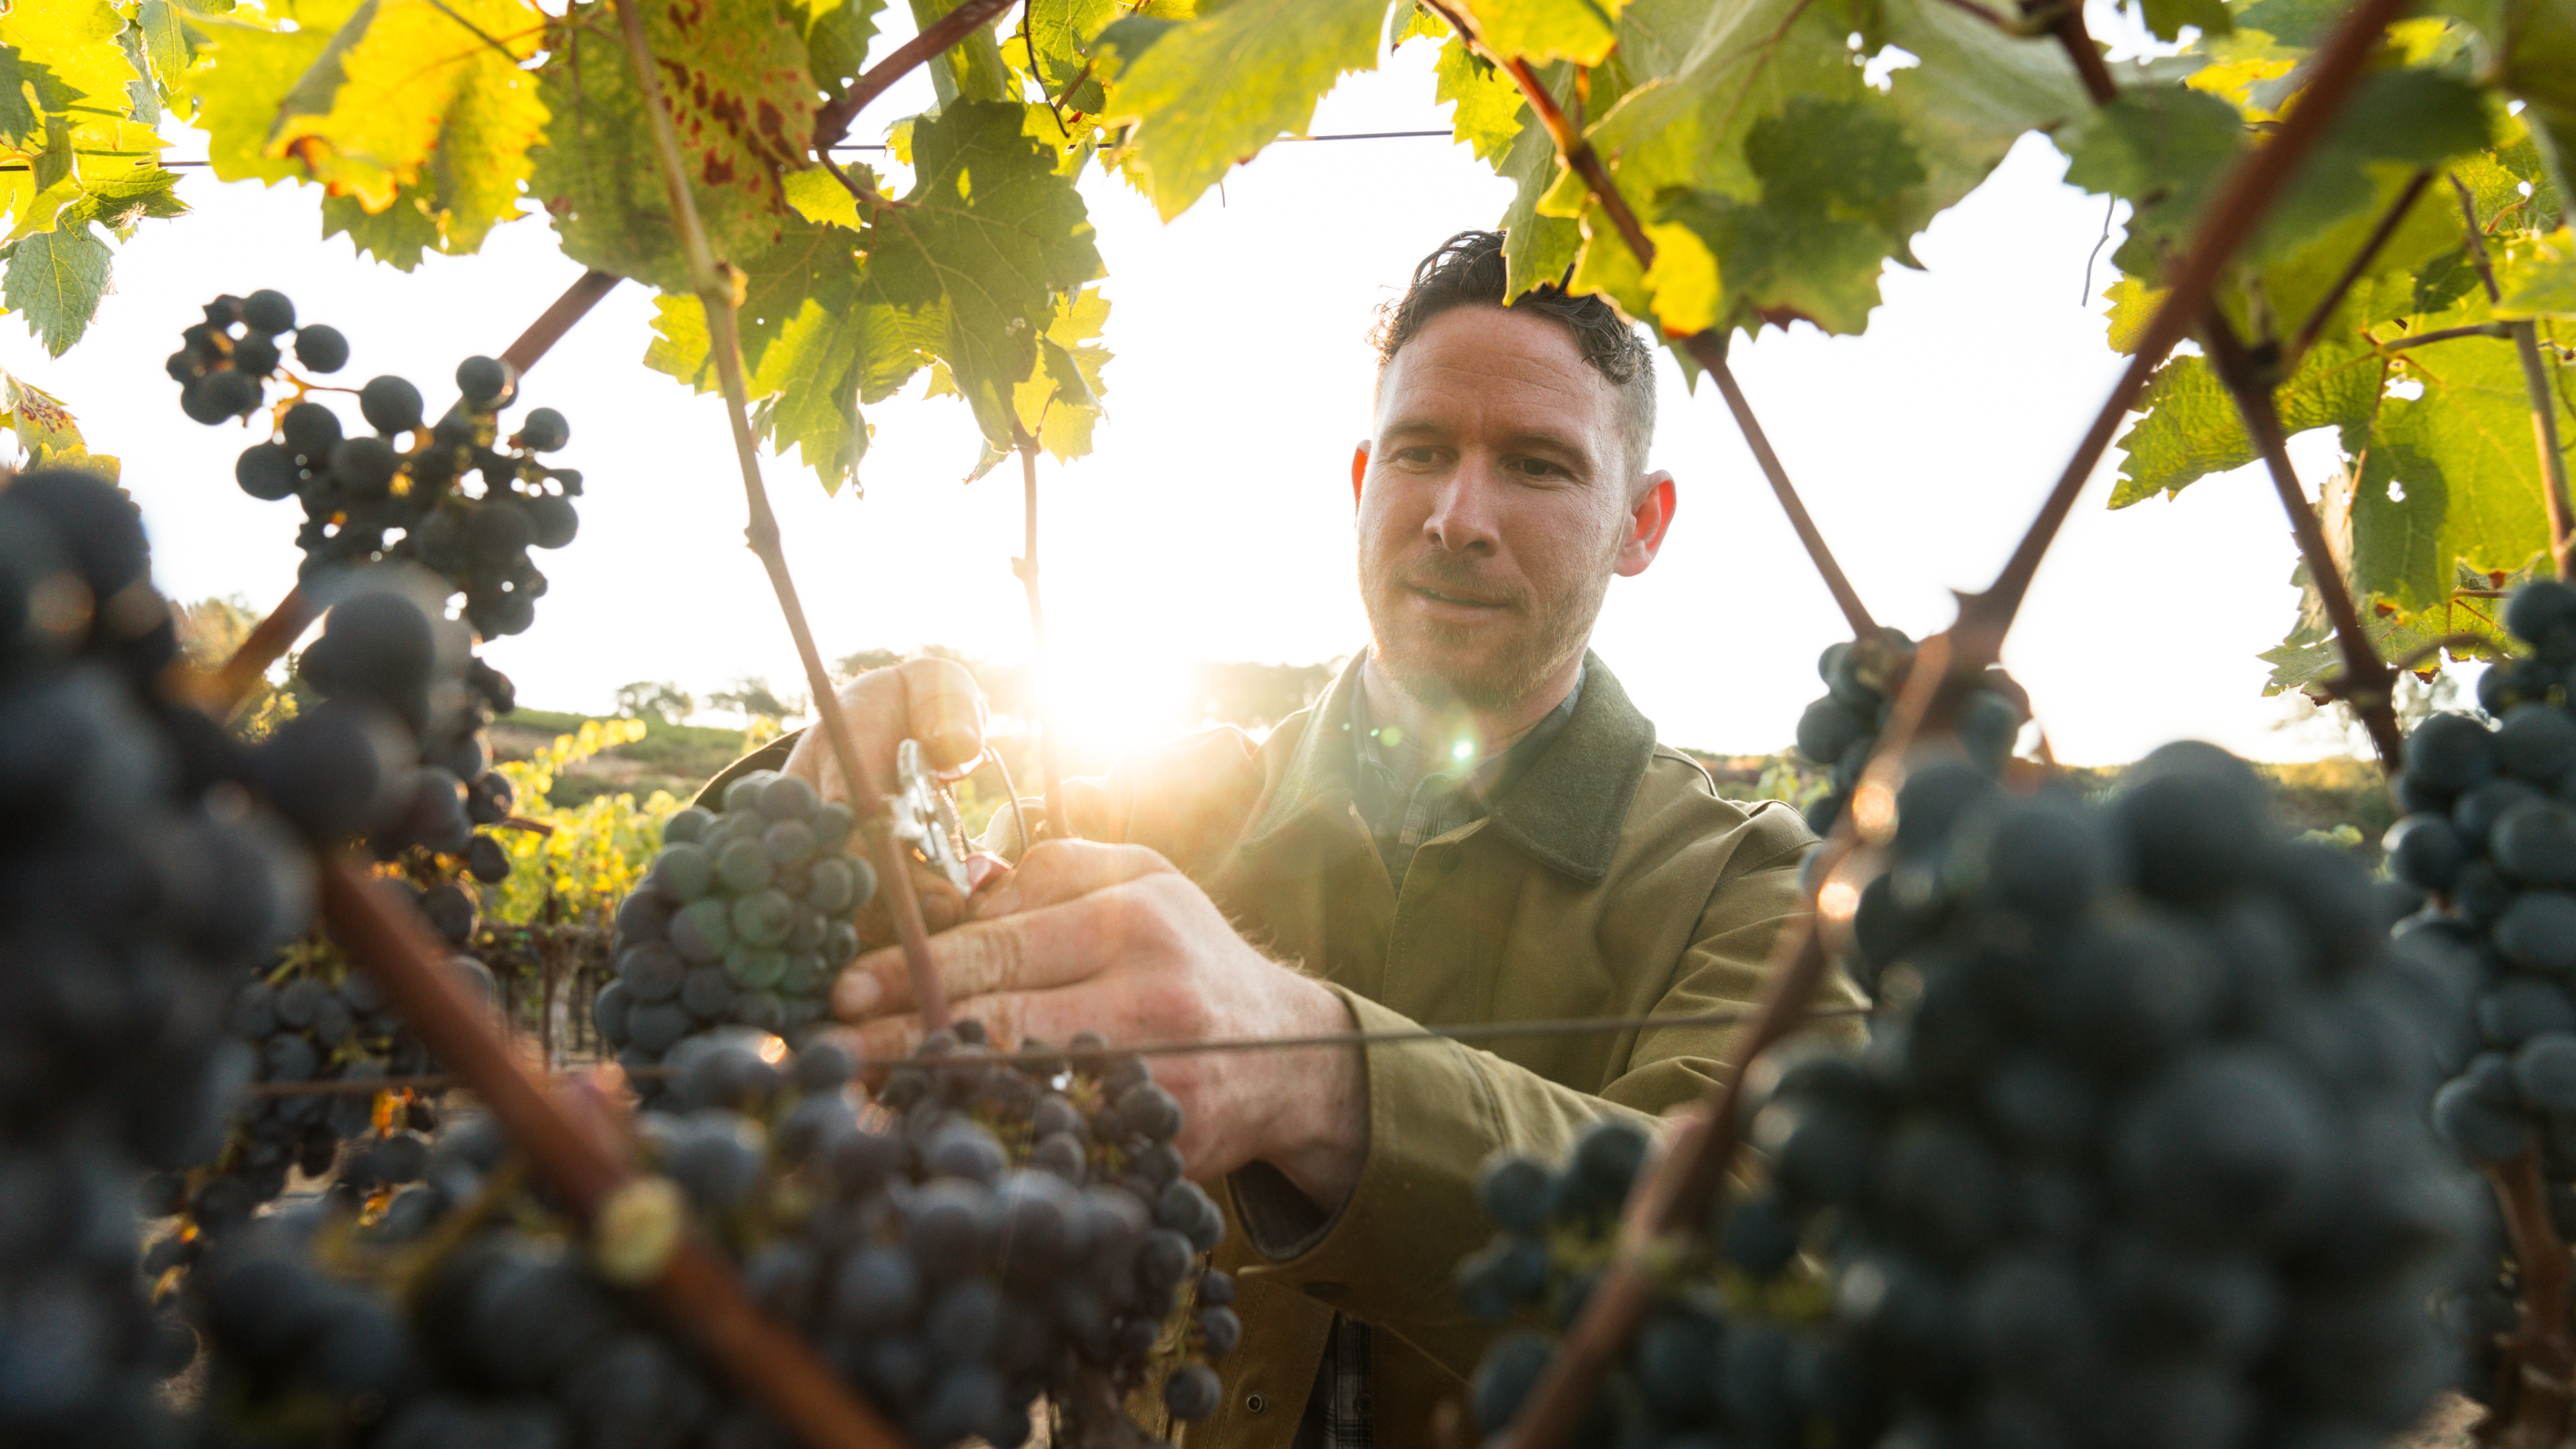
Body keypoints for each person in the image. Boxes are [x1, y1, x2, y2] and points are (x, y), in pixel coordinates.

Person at [702, 230, 1847, 1446]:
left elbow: (1772, 1273)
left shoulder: (1755, 892)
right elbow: (823, 998)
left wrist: (1315, 1073)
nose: (1459, 516)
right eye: (1420, 453)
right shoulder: (1151, 816)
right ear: (1363, 483)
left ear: (1642, 525)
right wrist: (844, 805)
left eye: (1537, 466)